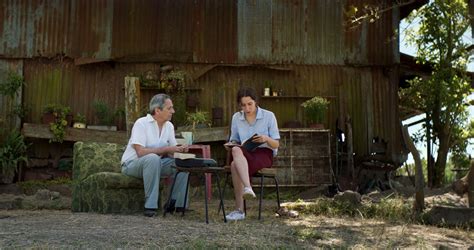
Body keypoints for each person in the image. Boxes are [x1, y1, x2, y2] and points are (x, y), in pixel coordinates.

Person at [121, 93, 189, 217]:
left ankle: (175, 204)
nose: (173, 111)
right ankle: (150, 206)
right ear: (157, 110)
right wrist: (167, 148)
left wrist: (180, 150)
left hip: (156, 164)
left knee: (182, 163)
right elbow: (140, 152)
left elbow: (171, 152)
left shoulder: (169, 126)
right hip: (132, 165)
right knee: (152, 159)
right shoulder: (141, 123)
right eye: (169, 108)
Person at [224, 87, 280, 221]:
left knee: (234, 165)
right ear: (240, 105)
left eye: (250, 104)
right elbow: (235, 140)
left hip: (263, 153)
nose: (247, 108)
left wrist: (265, 139)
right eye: (243, 105)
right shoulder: (236, 117)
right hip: (244, 153)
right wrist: (230, 144)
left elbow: (276, 144)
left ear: (256, 102)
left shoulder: (268, 115)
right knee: (235, 150)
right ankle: (247, 188)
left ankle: (239, 210)